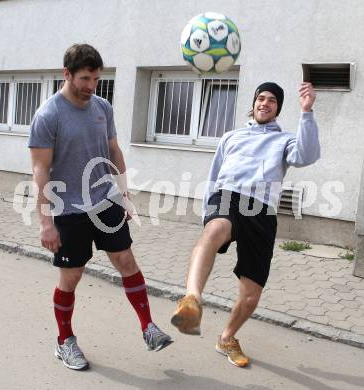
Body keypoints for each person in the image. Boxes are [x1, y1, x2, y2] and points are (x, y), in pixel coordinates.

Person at [29, 43, 172, 371]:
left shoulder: (102, 107)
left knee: (125, 259)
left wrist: (123, 193)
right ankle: (65, 340)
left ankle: (149, 327)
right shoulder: (48, 115)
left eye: (96, 79)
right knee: (72, 275)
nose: (91, 86)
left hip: (104, 199)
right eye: (85, 79)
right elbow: (40, 171)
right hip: (67, 208)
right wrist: (45, 222)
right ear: (67, 74)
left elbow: (113, 151)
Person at [171, 82, 320, 367]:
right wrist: (207, 212)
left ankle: (227, 338)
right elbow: (215, 175)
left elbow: (307, 155)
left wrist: (307, 112)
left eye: (272, 100)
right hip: (227, 196)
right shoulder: (232, 137)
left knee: (251, 297)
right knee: (214, 230)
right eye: (261, 98)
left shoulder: (285, 140)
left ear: (278, 108)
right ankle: (191, 299)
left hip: (262, 211)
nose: (265, 103)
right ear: (253, 103)